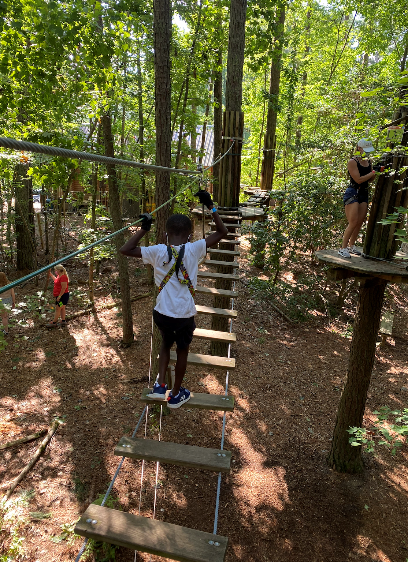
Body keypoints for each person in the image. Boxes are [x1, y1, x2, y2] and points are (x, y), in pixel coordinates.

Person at [119, 190, 228, 409]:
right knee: (182, 351)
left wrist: (143, 229)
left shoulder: (158, 251)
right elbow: (222, 232)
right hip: (184, 316)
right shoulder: (195, 248)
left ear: (167, 234)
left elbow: (125, 249)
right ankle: (176, 394)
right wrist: (211, 207)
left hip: (162, 314)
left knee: (165, 344)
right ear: (190, 234)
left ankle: (160, 387)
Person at [338, 138, 377, 258]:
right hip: (353, 192)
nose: (368, 152)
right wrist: (373, 172)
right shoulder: (353, 161)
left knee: (359, 222)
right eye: (366, 149)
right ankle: (342, 248)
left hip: (364, 193)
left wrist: (375, 172)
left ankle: (351, 245)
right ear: (359, 148)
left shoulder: (368, 161)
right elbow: (358, 179)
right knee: (353, 221)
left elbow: (369, 179)